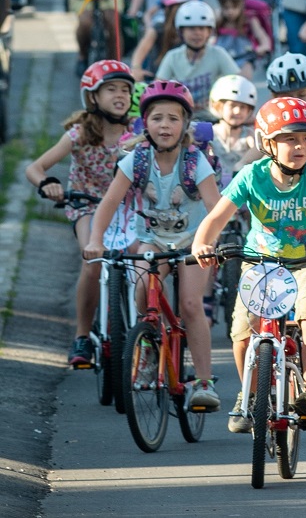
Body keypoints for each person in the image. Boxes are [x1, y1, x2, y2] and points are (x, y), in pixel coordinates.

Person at [193, 96, 306, 432]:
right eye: (290, 139)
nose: (300, 147)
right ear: (268, 144)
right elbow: (216, 218)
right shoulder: (252, 176)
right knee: (243, 327)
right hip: (259, 261)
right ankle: (248, 395)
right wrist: (202, 243)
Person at [85, 80, 224, 410]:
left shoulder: (195, 161)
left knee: (191, 305)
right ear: (144, 123)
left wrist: (210, 243)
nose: (165, 125)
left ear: (185, 125)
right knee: (142, 293)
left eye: (173, 118)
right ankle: (149, 347)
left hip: (192, 239)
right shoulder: (137, 160)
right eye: (157, 118)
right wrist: (94, 240)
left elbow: (216, 209)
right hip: (150, 238)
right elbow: (108, 204)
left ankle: (204, 382)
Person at [26, 61, 134, 366]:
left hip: (128, 207)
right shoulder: (79, 133)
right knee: (92, 260)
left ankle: (148, 326)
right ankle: (83, 336)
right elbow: (34, 168)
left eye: (125, 89)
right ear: (92, 97)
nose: (120, 95)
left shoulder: (138, 130)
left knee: (149, 262)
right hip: (86, 205)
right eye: (111, 89)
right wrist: (48, 183)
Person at [156, 0, 241, 109]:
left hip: (212, 118)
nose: (197, 33)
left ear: (209, 32)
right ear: (181, 32)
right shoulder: (172, 57)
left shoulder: (218, 54)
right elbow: (158, 89)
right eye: (191, 28)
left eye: (202, 28)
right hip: (182, 118)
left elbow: (238, 84)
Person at [208, 74, 258, 187]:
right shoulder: (210, 133)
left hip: (241, 191)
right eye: (232, 105)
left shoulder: (250, 136)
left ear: (249, 111)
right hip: (213, 190)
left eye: (243, 107)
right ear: (218, 106)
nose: (237, 111)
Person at [215, 0, 272, 77]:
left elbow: (262, 37)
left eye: (234, 7)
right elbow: (211, 37)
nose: (230, 12)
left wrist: (263, 47)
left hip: (244, 58)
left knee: (243, 82)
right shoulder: (219, 21)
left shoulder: (249, 20)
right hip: (222, 59)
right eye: (226, 8)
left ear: (241, 5)